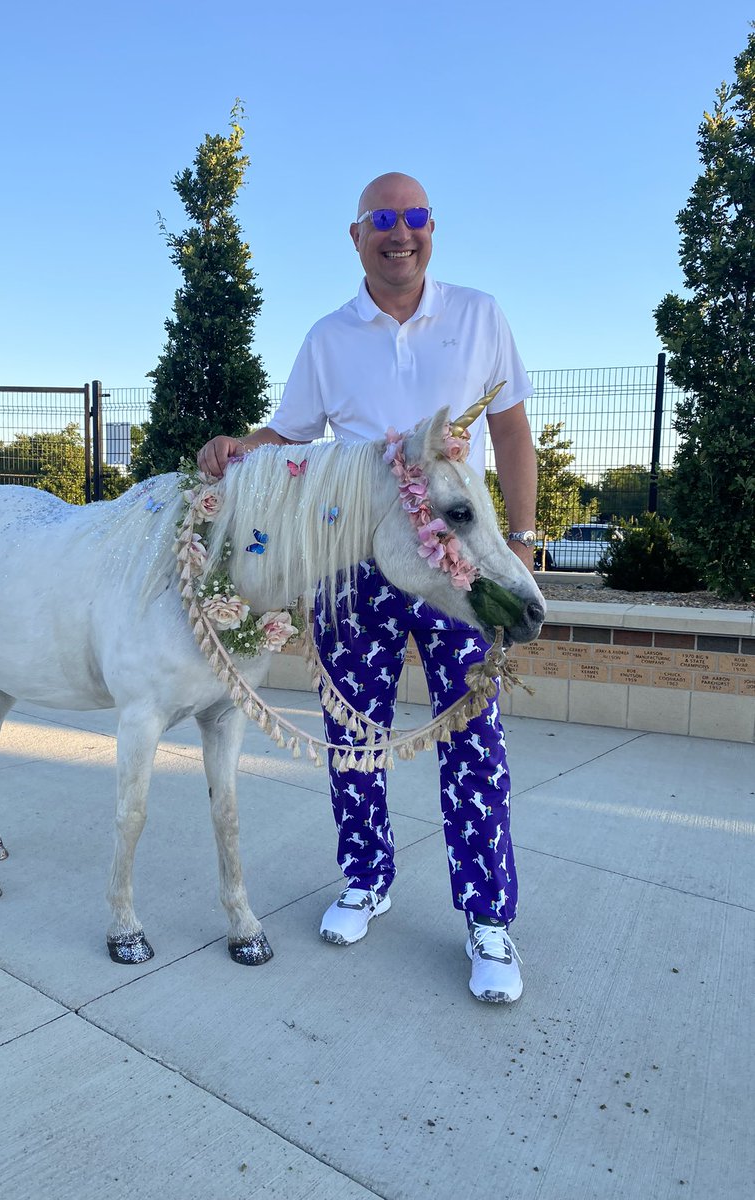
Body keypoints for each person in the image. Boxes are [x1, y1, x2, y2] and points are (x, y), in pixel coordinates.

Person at [197, 172, 537, 1004]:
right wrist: (240, 446)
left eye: (414, 218)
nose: (400, 233)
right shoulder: (327, 337)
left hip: (455, 564)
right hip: (353, 567)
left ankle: (488, 920)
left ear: (432, 230)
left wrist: (520, 543)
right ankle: (365, 878)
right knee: (353, 729)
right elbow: (291, 434)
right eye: (382, 220)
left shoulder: (479, 315)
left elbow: (511, 427)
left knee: (472, 736)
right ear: (356, 236)